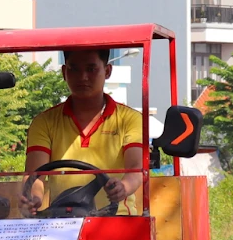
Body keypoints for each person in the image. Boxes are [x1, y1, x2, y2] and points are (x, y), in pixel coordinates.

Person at [23, 48, 144, 214]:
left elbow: (136, 169)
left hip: (117, 221)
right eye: (74, 69)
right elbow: (34, 176)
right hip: (63, 221)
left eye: (91, 69)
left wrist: (124, 186)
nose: (82, 77)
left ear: (107, 71)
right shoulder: (43, 122)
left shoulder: (130, 119)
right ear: (64, 72)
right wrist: (33, 198)